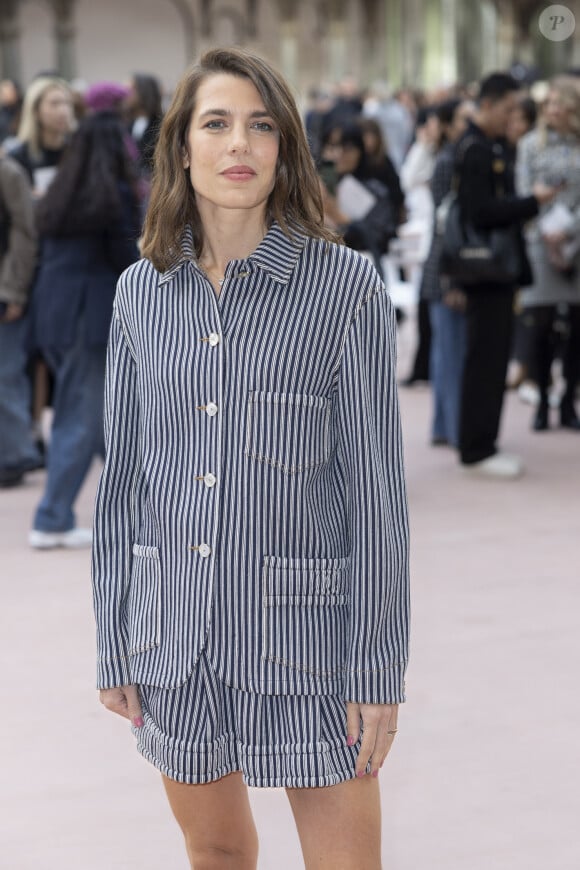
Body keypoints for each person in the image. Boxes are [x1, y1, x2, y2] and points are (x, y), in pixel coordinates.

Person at [93, 48, 409, 870]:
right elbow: (126, 484)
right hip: (175, 638)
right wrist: (114, 643)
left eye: (261, 125)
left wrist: (378, 666)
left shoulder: (344, 289)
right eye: (218, 123)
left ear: (285, 146)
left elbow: (376, 495)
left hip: (307, 642)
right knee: (220, 852)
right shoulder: (139, 293)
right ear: (182, 148)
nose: (241, 144)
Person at [28, 111, 140, 549]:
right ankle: (52, 517)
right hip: (86, 319)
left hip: (53, 315)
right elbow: (127, 262)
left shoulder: (61, 191)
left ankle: (138, 512)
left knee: (92, 420)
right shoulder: (111, 196)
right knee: (82, 418)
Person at [452, 72, 558, 479]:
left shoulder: (484, 145)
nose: (515, 117)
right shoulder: (477, 149)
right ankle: (477, 448)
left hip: (491, 271)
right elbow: (480, 213)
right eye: (510, 108)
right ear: (491, 103)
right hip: (486, 270)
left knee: (490, 358)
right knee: (486, 359)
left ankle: (480, 443)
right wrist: (532, 202)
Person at [516, 75, 580, 431]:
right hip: (541, 243)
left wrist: (569, 229)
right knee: (539, 324)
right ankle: (542, 398)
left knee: (576, 325)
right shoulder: (529, 145)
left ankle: (569, 399)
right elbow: (524, 191)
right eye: (549, 103)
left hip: (577, 243)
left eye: (560, 103)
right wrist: (548, 231)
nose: (552, 110)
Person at [419, 98, 474, 447]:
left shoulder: (451, 159)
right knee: (452, 354)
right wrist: (452, 278)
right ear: (450, 125)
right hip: (445, 270)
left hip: (441, 269)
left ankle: (444, 425)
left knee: (446, 353)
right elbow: (447, 227)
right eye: (464, 119)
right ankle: (455, 428)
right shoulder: (450, 162)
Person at [0, 154, 39, 488]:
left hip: (5, 291)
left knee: (6, 375)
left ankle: (14, 456)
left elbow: (25, 233)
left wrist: (14, 291)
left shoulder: (8, 172)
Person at [320, 122, 397, 271]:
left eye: (347, 148)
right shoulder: (316, 184)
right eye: (332, 146)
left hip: (362, 267)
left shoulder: (374, 190)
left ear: (360, 150)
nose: (339, 154)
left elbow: (378, 236)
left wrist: (341, 219)